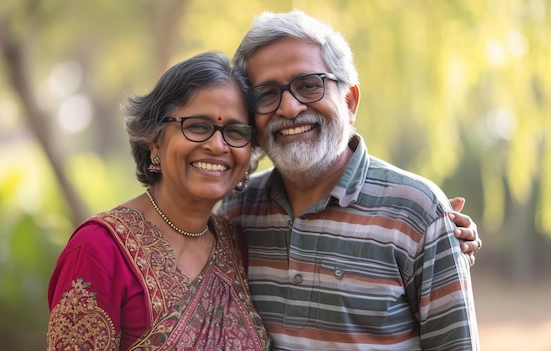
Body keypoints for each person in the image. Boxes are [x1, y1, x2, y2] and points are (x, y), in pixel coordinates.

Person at [218, 10, 480, 350]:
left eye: (308, 85)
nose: (290, 107)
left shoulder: (419, 213)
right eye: (267, 93)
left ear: (350, 100)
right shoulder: (238, 209)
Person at [46, 52, 271, 350]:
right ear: (154, 140)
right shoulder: (98, 250)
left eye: (235, 131)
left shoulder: (237, 244)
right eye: (197, 126)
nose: (218, 145)